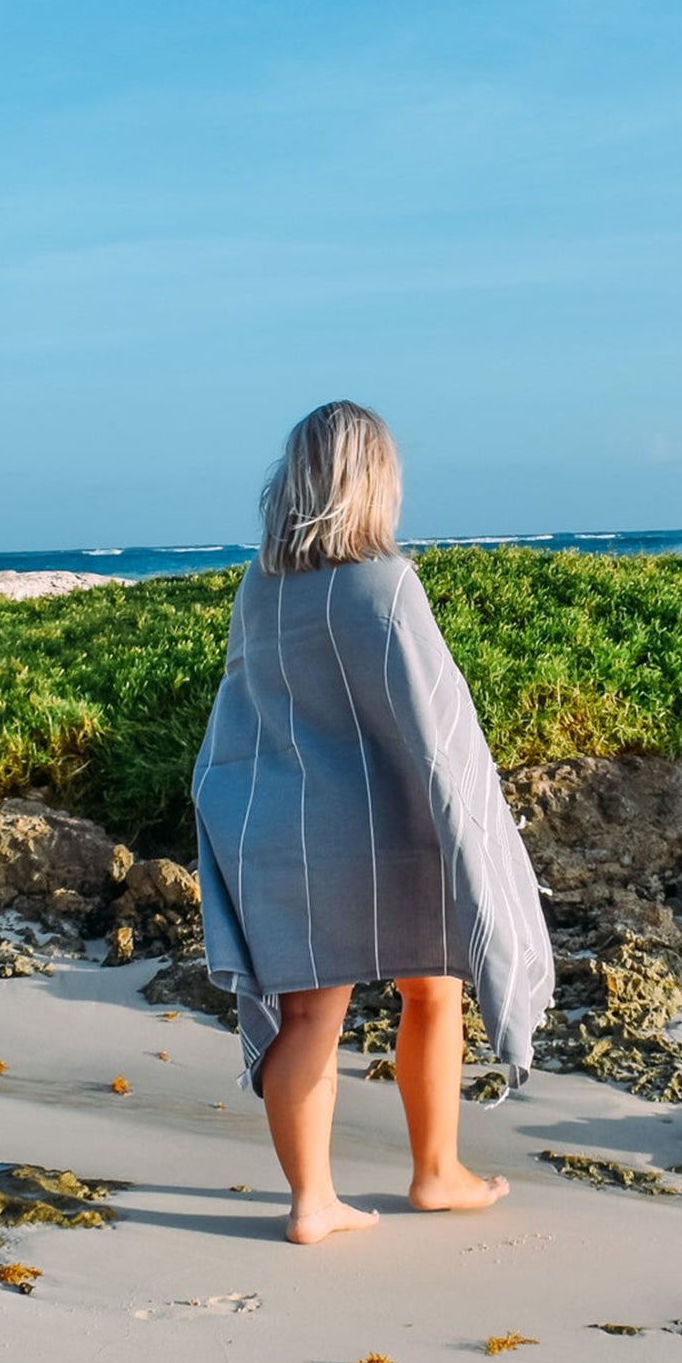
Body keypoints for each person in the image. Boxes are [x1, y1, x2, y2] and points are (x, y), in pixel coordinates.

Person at [190, 401, 554, 1244]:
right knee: (435, 987)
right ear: (374, 479)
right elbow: (438, 724)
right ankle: (436, 1173)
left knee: (311, 1014)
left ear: (297, 479)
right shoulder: (385, 582)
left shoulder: (262, 587)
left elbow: (243, 710)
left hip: (291, 828)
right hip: (390, 829)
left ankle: (311, 1202)